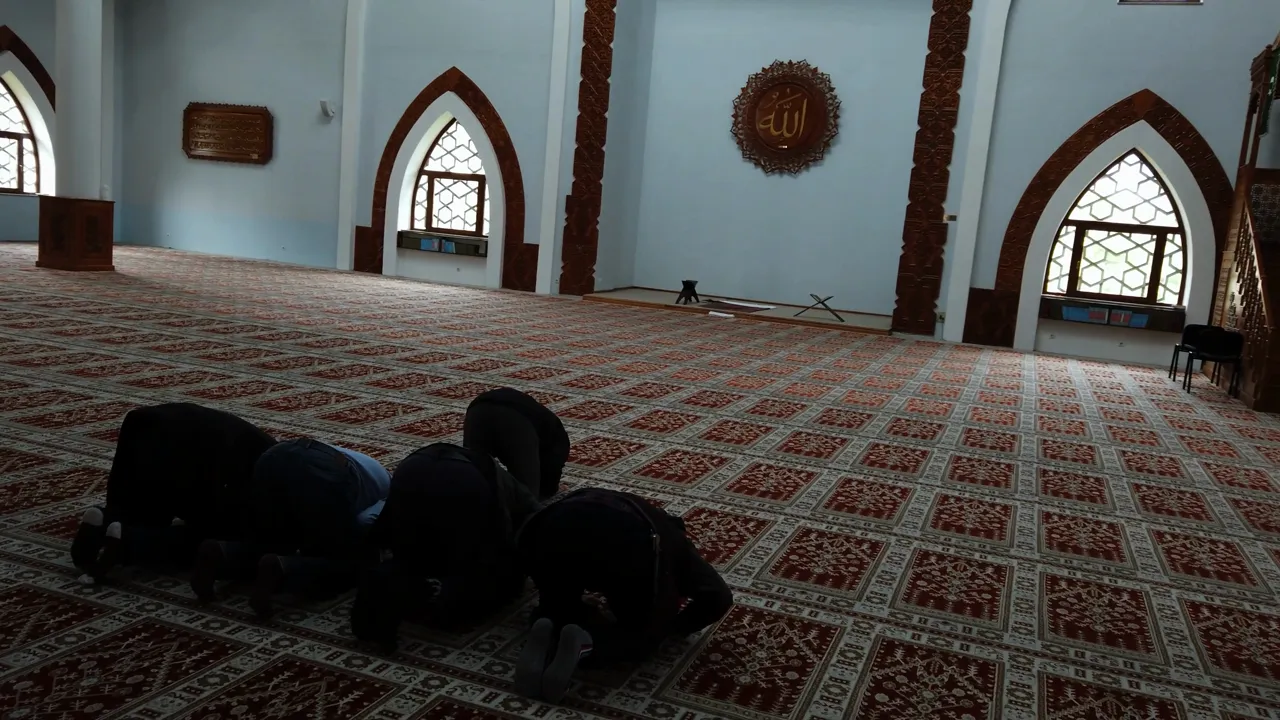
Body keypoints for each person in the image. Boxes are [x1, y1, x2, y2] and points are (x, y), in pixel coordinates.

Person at [512, 488, 733, 703]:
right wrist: (670, 628)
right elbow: (719, 597)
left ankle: (546, 623)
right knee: (640, 637)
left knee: (559, 603)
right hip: (624, 543)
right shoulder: (672, 543)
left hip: (547, 529)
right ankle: (587, 644)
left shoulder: (648, 514)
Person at [350, 443, 541, 651]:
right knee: (498, 582)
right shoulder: (503, 486)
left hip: (412, 467)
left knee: (411, 556)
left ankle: (384, 589)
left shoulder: (477, 468)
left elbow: (391, 532)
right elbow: (527, 524)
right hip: (462, 482)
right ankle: (442, 601)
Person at [71, 402, 278, 583]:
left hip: (150, 425)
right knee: (203, 540)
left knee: (141, 509)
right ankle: (129, 541)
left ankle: (104, 520)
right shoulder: (276, 487)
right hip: (206, 459)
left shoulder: (283, 452)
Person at [190, 437, 390, 619]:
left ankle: (222, 552)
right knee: (346, 562)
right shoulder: (389, 490)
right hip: (322, 471)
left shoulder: (372, 468)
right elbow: (366, 521)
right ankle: (283, 568)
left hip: (274, 457)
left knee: (274, 540)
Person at [463, 387, 569, 500]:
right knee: (527, 499)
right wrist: (549, 488)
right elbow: (547, 482)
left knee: (471, 473)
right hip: (515, 421)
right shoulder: (558, 444)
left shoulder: (552, 430)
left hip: (478, 411)